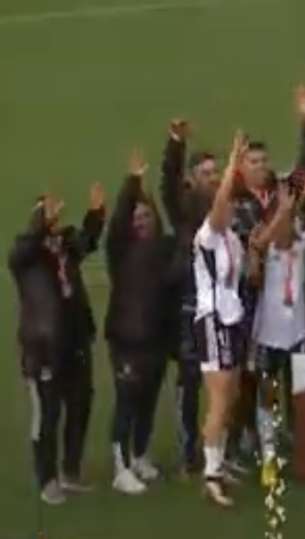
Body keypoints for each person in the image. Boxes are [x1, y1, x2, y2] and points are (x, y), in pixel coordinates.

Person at [11, 184, 105, 505]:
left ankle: (71, 471)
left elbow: (88, 241)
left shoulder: (64, 243)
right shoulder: (25, 253)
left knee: (80, 406)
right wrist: (39, 224)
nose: (52, 215)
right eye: (45, 211)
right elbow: (21, 251)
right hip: (43, 347)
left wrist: (95, 213)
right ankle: (46, 478)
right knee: (47, 416)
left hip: (74, 340)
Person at [105, 149, 175, 494]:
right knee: (127, 402)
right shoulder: (120, 250)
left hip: (156, 340)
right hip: (127, 340)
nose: (141, 221)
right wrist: (132, 183)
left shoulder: (164, 249)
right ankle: (120, 467)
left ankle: (139, 454)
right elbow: (117, 221)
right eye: (137, 216)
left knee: (148, 400)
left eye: (146, 215)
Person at [192, 133, 250, 507]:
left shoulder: (232, 237)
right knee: (218, 397)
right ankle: (210, 474)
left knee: (230, 397)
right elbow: (217, 205)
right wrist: (231, 164)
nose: (230, 207)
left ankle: (220, 461)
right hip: (212, 320)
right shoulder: (208, 235)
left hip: (231, 319)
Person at [246, 184, 305, 486]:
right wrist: (282, 213)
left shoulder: (301, 243)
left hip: (297, 335)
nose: (289, 224)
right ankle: (269, 458)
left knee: (299, 398)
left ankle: (303, 453)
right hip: (269, 337)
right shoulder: (263, 247)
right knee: (267, 398)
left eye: (292, 216)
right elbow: (253, 268)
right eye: (282, 216)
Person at [159, 118, 216, 475]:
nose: (213, 177)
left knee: (226, 378)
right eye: (206, 173)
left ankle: (221, 448)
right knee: (191, 378)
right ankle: (188, 452)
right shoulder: (186, 209)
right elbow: (167, 186)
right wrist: (176, 144)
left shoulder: (226, 205)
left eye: (215, 172)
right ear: (193, 178)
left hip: (225, 305)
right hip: (192, 304)